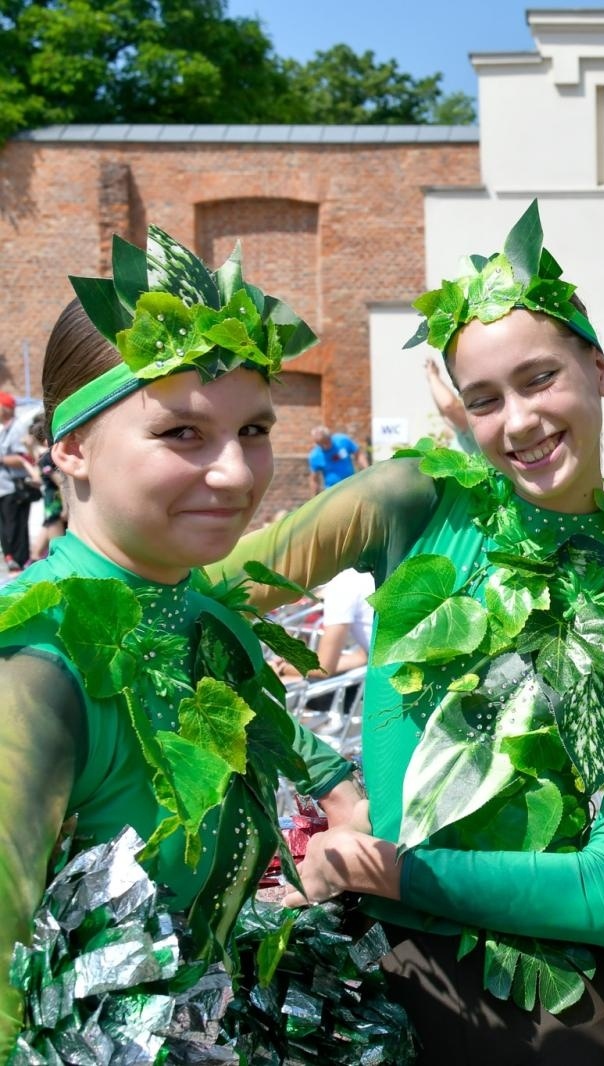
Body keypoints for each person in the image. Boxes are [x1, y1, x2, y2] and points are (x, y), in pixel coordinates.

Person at [210, 200, 604, 1065]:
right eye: (485, 400)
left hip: (571, 1020)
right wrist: (327, 777)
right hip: (388, 985)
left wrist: (383, 870)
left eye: (540, 379)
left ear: (601, 369)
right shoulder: (411, 502)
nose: (519, 421)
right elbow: (191, 604)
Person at [0, 228, 365, 1059]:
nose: (236, 474)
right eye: (183, 434)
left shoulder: (196, 607)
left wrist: (343, 792)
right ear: (71, 446)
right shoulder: (36, 666)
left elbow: (265, 721)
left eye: (254, 429)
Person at [0, 391, 33, 570]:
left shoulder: (17, 428)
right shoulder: (4, 429)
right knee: (6, 529)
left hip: (14, 488)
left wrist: (2, 459)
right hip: (4, 488)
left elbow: (24, 458)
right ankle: (12, 561)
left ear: (5, 408)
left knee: (16, 529)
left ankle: (19, 564)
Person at [27, 414, 65, 561]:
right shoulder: (48, 457)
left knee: (53, 547)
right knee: (55, 548)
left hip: (52, 504)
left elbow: (58, 482)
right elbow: (58, 482)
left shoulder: (45, 458)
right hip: (54, 504)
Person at [306, 423, 365, 493]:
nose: (324, 446)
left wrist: (367, 469)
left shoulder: (343, 440)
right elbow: (314, 479)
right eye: (320, 444)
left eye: (326, 442)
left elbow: (359, 454)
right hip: (332, 491)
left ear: (330, 436)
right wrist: (315, 496)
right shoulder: (315, 456)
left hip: (351, 485)